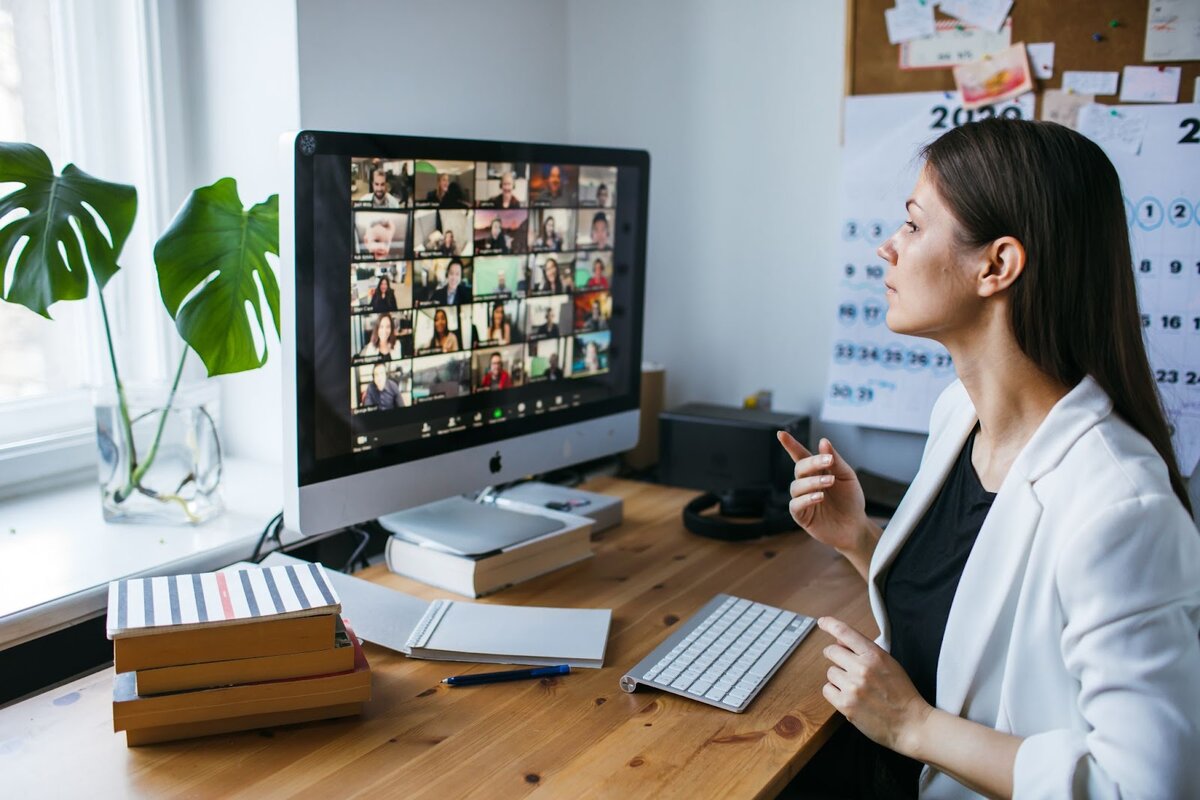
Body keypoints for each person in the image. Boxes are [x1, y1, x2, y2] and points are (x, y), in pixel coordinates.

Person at [780, 120, 1200, 800]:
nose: (887, 247)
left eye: (914, 227)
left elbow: (1147, 787)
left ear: (997, 266)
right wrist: (859, 539)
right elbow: (970, 613)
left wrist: (914, 726)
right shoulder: (958, 414)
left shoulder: (1123, 509)